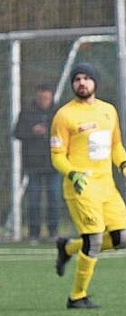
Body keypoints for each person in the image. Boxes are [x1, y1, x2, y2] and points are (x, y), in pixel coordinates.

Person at [50, 62, 126, 309]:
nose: (82, 83)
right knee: (95, 240)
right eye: (77, 79)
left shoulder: (108, 111)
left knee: (124, 238)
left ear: (95, 82)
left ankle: (68, 248)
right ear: (72, 84)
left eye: (86, 78)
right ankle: (77, 297)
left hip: (106, 186)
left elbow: (115, 145)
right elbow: (57, 155)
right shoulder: (65, 115)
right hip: (82, 187)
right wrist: (73, 174)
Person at [14, 82, 61, 243]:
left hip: (54, 163)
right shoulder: (27, 112)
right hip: (33, 164)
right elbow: (17, 132)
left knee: (54, 198)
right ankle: (34, 233)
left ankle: (53, 232)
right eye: (41, 98)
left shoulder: (58, 112)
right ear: (37, 96)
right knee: (33, 200)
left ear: (51, 96)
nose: (44, 101)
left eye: (46, 98)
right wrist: (32, 132)